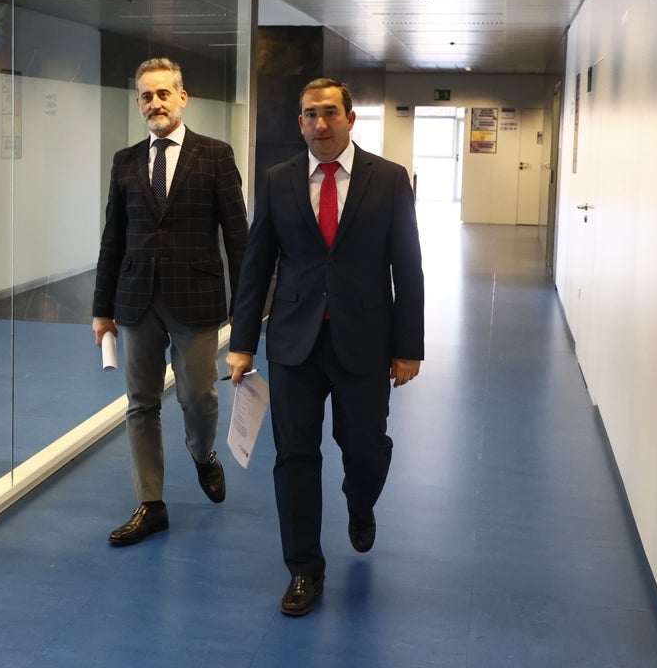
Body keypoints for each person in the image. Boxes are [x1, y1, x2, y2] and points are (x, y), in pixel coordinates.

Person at [225, 77, 424, 616]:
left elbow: (407, 267)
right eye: (310, 114)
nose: (320, 124)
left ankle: (360, 503)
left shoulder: (387, 180)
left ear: (350, 118)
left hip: (364, 341)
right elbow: (257, 265)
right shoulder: (279, 180)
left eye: (330, 112)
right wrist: (242, 342)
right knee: (294, 456)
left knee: (364, 448)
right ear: (300, 122)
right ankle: (303, 570)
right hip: (293, 342)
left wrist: (409, 347)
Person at [93, 57, 249, 546]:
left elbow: (239, 239)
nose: (155, 103)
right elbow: (112, 239)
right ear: (139, 103)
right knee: (140, 404)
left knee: (197, 398)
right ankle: (151, 503)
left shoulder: (216, 155)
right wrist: (102, 309)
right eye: (146, 95)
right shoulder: (124, 161)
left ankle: (203, 455)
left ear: (183, 97)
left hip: (197, 300)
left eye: (164, 93)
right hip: (136, 299)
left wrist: (245, 315)